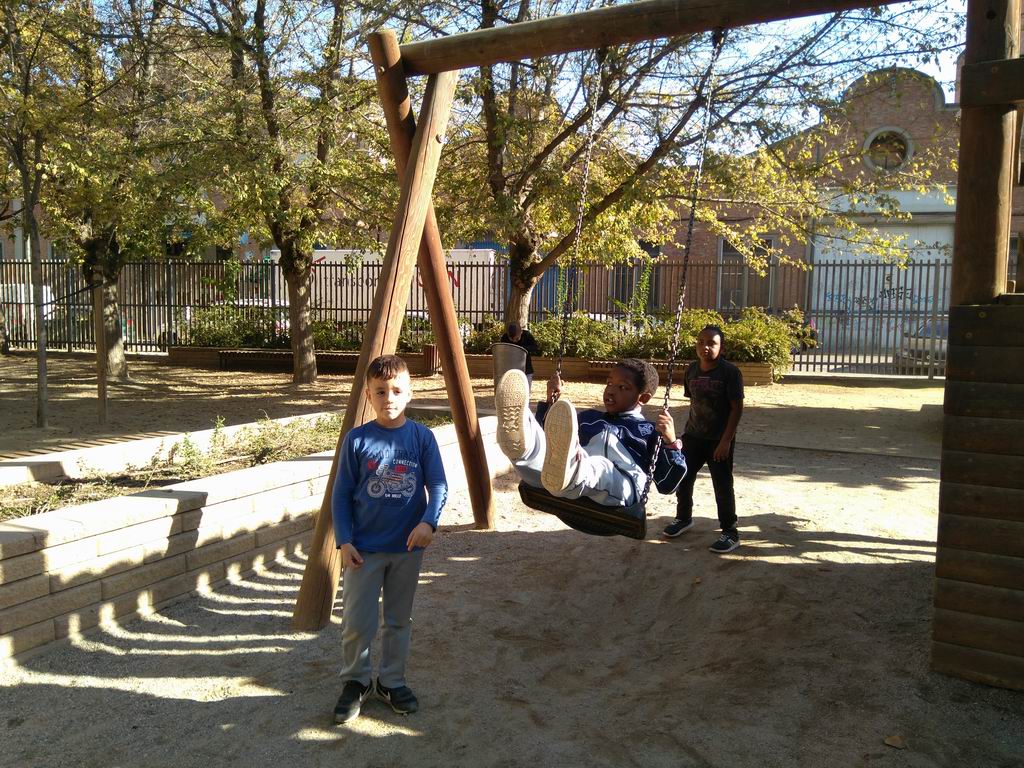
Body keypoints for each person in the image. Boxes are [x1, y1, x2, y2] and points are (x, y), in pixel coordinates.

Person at [331, 354, 448, 724]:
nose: (389, 398)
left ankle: (391, 680)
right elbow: (341, 494)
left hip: (406, 549)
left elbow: (438, 485)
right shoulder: (357, 440)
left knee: (398, 620)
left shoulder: (422, 438)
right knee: (357, 622)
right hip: (363, 550)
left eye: (397, 390)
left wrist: (429, 522)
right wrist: (344, 540)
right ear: (368, 395)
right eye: (380, 391)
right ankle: (356, 680)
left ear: (410, 393)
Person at [495, 359, 686, 507]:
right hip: (571, 475)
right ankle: (522, 447)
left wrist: (671, 444)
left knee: (601, 467)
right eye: (609, 383)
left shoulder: (649, 431)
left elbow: (667, 485)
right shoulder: (589, 418)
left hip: (623, 484)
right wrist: (549, 401)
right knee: (541, 453)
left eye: (622, 387)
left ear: (643, 398)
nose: (610, 391)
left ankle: (569, 472)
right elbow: (549, 438)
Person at [662, 325, 744, 554]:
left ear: (722, 347)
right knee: (683, 477)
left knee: (722, 485)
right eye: (700, 342)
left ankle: (730, 531)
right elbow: (694, 401)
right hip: (693, 435)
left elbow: (736, 409)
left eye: (711, 343)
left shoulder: (730, 373)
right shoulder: (692, 370)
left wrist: (726, 441)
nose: (705, 347)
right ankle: (683, 518)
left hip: (719, 439)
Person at [498, 321, 541, 389]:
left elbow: (536, 349)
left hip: (526, 369)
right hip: (510, 370)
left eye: (517, 339)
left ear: (521, 332)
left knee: (525, 391)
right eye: (511, 340)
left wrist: (521, 349)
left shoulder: (527, 336)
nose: (514, 341)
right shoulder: (505, 337)